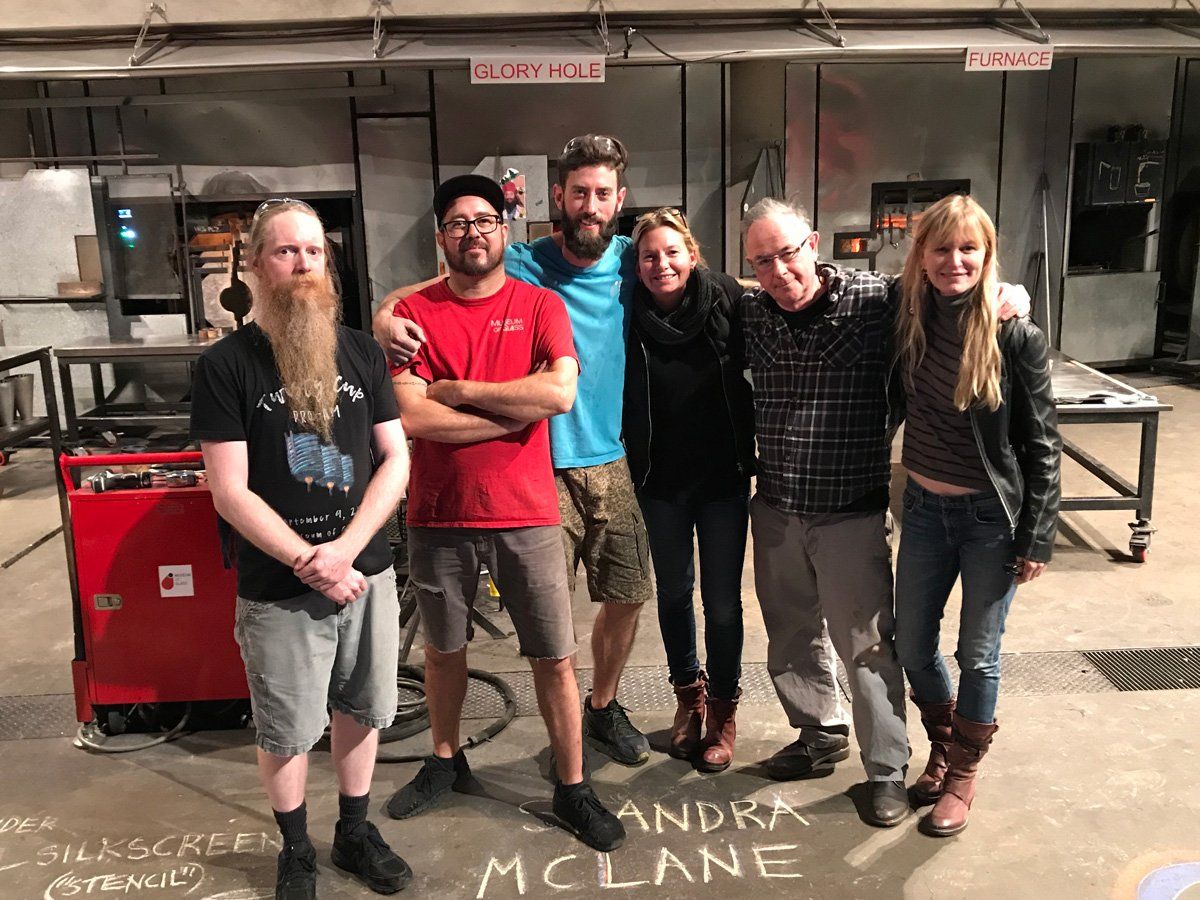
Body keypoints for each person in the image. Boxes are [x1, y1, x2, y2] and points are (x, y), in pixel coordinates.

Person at [737, 197, 1030, 829]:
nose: (779, 271)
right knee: (791, 635)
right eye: (762, 261)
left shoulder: (876, 302)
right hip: (779, 508)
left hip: (850, 511)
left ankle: (886, 769)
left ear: (812, 243)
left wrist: (1010, 293)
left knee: (867, 647)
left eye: (788, 253)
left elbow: (951, 283)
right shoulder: (752, 314)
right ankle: (819, 735)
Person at [374, 135, 654, 768]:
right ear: (557, 197)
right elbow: (424, 292)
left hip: (606, 456)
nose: (590, 205)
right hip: (537, 469)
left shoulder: (633, 263)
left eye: (602, 194)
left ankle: (604, 707)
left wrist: (460, 392)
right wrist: (385, 317)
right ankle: (536, 750)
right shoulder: (522, 261)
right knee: (549, 632)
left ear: (619, 200)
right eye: (578, 192)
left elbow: (685, 276)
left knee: (629, 590)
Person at [191, 199, 412, 899]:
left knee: (362, 709)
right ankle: (295, 847)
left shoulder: (361, 352)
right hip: (281, 588)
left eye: (314, 251)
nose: (302, 264)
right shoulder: (226, 366)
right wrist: (308, 562)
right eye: (285, 252)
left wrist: (346, 551)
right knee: (287, 727)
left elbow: (395, 462)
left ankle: (353, 831)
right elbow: (230, 491)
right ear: (256, 265)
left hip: (365, 574)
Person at [892, 194, 1060, 838]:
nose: (954, 260)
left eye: (969, 248)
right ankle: (944, 741)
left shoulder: (1014, 332)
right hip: (924, 512)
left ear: (987, 254)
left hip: (990, 519)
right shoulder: (906, 315)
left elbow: (1043, 445)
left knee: (978, 654)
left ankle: (962, 773)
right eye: (941, 247)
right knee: (912, 643)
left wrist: (1037, 534)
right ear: (921, 255)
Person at [622, 208, 755, 772]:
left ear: (692, 255)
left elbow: (792, 288)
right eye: (650, 255)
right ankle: (688, 702)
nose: (662, 264)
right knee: (674, 594)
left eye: (672, 252)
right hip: (659, 482)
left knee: (721, 602)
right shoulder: (626, 309)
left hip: (722, 479)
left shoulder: (728, 299)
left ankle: (724, 710)